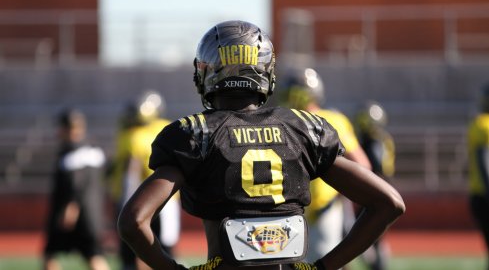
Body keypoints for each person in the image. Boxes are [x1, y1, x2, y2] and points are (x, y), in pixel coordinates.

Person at [118, 20, 405, 270]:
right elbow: (389, 203)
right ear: (266, 73)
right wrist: (324, 267)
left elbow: (132, 221)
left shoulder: (196, 133)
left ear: (206, 73)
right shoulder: (304, 128)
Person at [279, 67, 372, 265]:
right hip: (295, 211)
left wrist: (337, 195)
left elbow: (362, 164)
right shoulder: (286, 122)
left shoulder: (327, 119)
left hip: (318, 210)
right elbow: (363, 165)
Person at [109, 91, 180, 270]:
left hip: (140, 197)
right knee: (164, 246)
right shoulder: (168, 128)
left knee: (135, 246)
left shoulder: (131, 136)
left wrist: (124, 201)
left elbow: (129, 173)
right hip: (168, 195)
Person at [43, 108, 110, 270]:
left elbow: (75, 183)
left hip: (72, 214)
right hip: (93, 213)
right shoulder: (95, 150)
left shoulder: (70, 152)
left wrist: (71, 207)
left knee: (50, 254)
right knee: (94, 255)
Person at [354, 101, 396, 270]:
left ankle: (377, 264)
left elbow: (378, 167)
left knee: (366, 233)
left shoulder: (376, 142)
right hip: (382, 189)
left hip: (375, 191)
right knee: (373, 234)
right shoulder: (384, 139)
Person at [467, 83, 489, 270]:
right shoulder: (483, 124)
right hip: (484, 194)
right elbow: (484, 161)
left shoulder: (479, 123)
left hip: (479, 194)